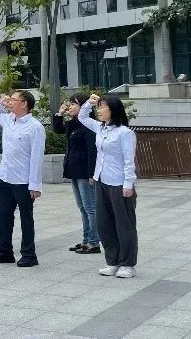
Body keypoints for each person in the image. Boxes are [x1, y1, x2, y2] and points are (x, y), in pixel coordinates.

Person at [78, 93, 138, 278]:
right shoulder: (100, 128)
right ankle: (112, 261)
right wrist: (89, 103)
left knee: (124, 225)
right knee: (104, 224)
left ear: (113, 110)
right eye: (98, 107)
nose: (99, 110)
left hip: (120, 184)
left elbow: (129, 161)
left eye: (102, 107)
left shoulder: (125, 133)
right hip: (101, 181)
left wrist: (128, 184)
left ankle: (127, 264)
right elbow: (82, 117)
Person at [0, 91, 45, 268]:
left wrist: (35, 185)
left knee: (26, 218)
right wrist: (1, 102)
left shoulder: (35, 127)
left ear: (24, 103)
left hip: (23, 181)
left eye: (14, 99)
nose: (10, 102)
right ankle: (5, 251)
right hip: (5, 177)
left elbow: (37, 158)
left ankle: (29, 254)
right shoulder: (8, 119)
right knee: (3, 216)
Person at [53, 93, 100, 255]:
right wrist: (59, 114)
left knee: (90, 208)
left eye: (74, 104)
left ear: (83, 106)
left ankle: (94, 242)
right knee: (82, 207)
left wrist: (91, 174)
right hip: (73, 169)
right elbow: (58, 129)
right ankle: (86, 239)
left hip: (84, 171)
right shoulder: (74, 123)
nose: (70, 107)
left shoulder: (89, 125)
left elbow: (92, 151)